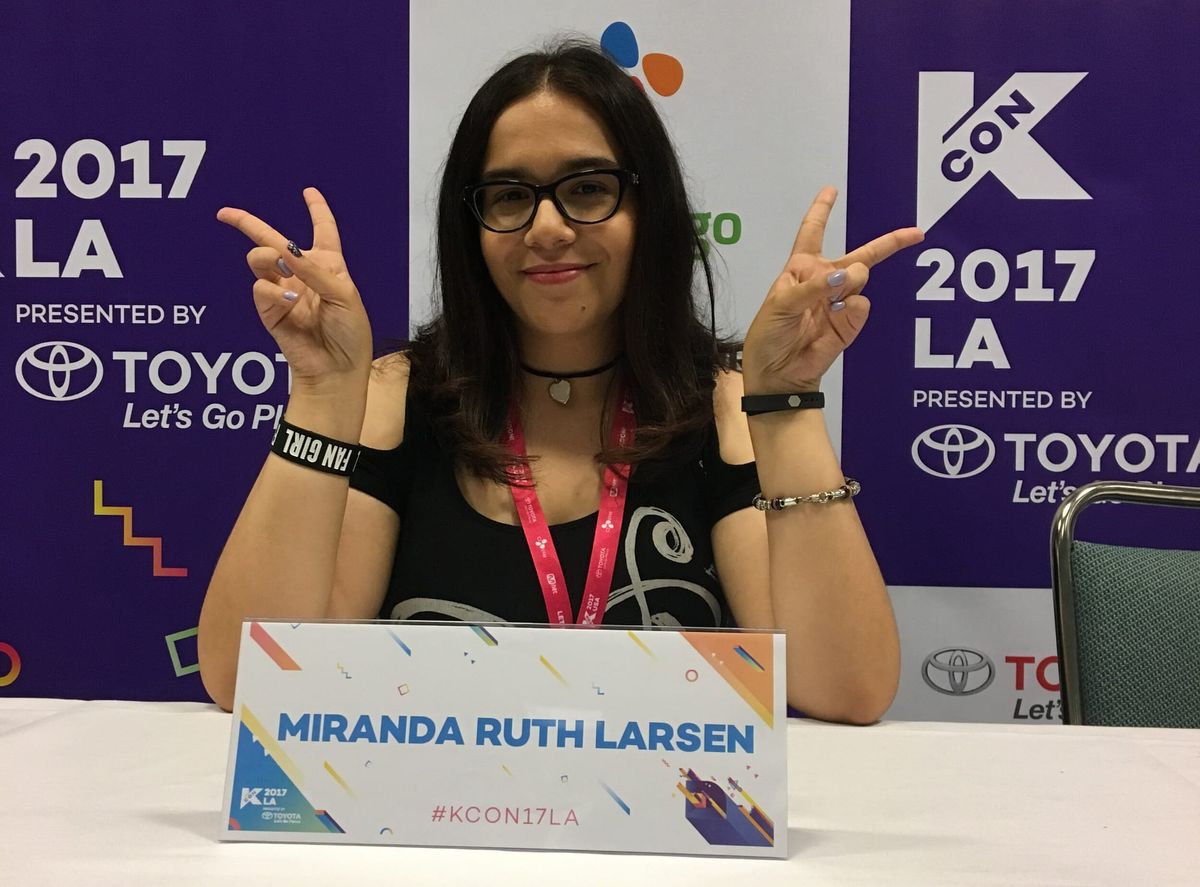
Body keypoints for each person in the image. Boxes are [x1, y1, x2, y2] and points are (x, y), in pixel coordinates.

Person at [197, 41, 921, 722]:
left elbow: (845, 688)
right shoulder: (393, 398)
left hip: (670, 839)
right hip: (440, 836)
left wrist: (787, 403)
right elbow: (247, 677)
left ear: (650, 211)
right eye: (510, 195)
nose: (546, 226)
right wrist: (324, 393)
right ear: (471, 225)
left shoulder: (725, 405)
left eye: (586, 187)